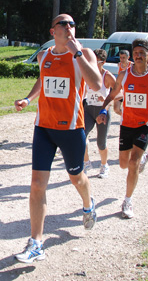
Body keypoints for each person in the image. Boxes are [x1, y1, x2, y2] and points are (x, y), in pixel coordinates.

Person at [13, 14, 102, 263]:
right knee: (37, 184)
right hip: (44, 128)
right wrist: (28, 99)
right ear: (53, 31)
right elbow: (43, 79)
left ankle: (88, 203)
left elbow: (95, 84)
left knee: (77, 178)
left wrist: (77, 53)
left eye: (72, 24)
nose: (69, 27)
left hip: (72, 129)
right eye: (63, 24)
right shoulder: (44, 55)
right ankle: (36, 243)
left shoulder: (85, 54)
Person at [97, 39, 148, 219]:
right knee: (122, 164)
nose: (139, 55)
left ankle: (127, 200)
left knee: (133, 164)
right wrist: (104, 109)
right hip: (127, 124)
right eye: (136, 52)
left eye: (142, 53)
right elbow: (112, 93)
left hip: (145, 125)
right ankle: (142, 158)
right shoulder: (124, 75)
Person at [82, 49, 117, 178]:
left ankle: (104, 165)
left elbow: (119, 92)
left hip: (102, 111)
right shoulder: (87, 74)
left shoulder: (107, 76)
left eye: (97, 62)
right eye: (92, 62)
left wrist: (107, 99)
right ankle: (86, 163)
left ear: (103, 62)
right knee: (81, 137)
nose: (94, 65)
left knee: (101, 143)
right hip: (89, 109)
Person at [113, 49, 132, 115]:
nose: (122, 59)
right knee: (116, 109)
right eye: (120, 57)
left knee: (128, 108)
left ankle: (128, 118)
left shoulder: (132, 65)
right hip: (120, 89)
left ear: (128, 57)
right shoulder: (119, 65)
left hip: (129, 90)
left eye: (124, 57)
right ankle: (125, 116)